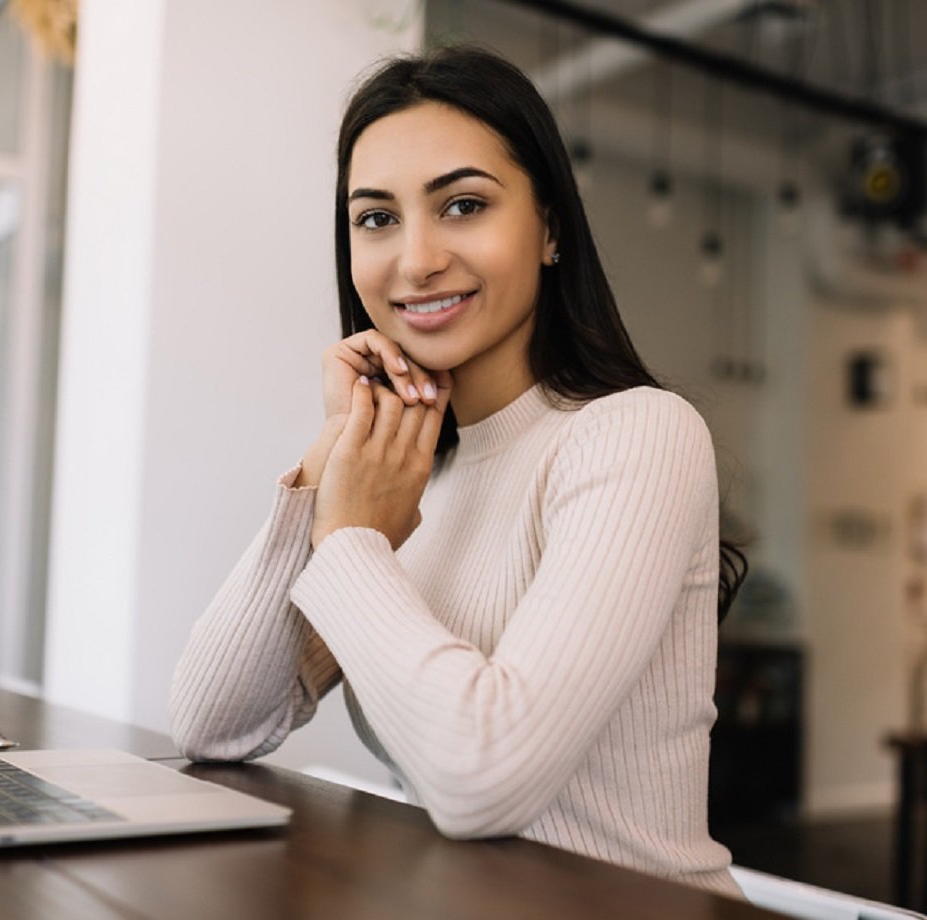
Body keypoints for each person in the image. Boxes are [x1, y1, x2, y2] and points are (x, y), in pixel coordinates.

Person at [169, 44, 746, 898]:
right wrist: (333, 453)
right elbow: (213, 721)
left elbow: (486, 780)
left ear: (550, 227)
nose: (416, 259)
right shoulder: (405, 478)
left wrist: (355, 535)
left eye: (463, 205)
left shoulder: (638, 436)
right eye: (376, 218)